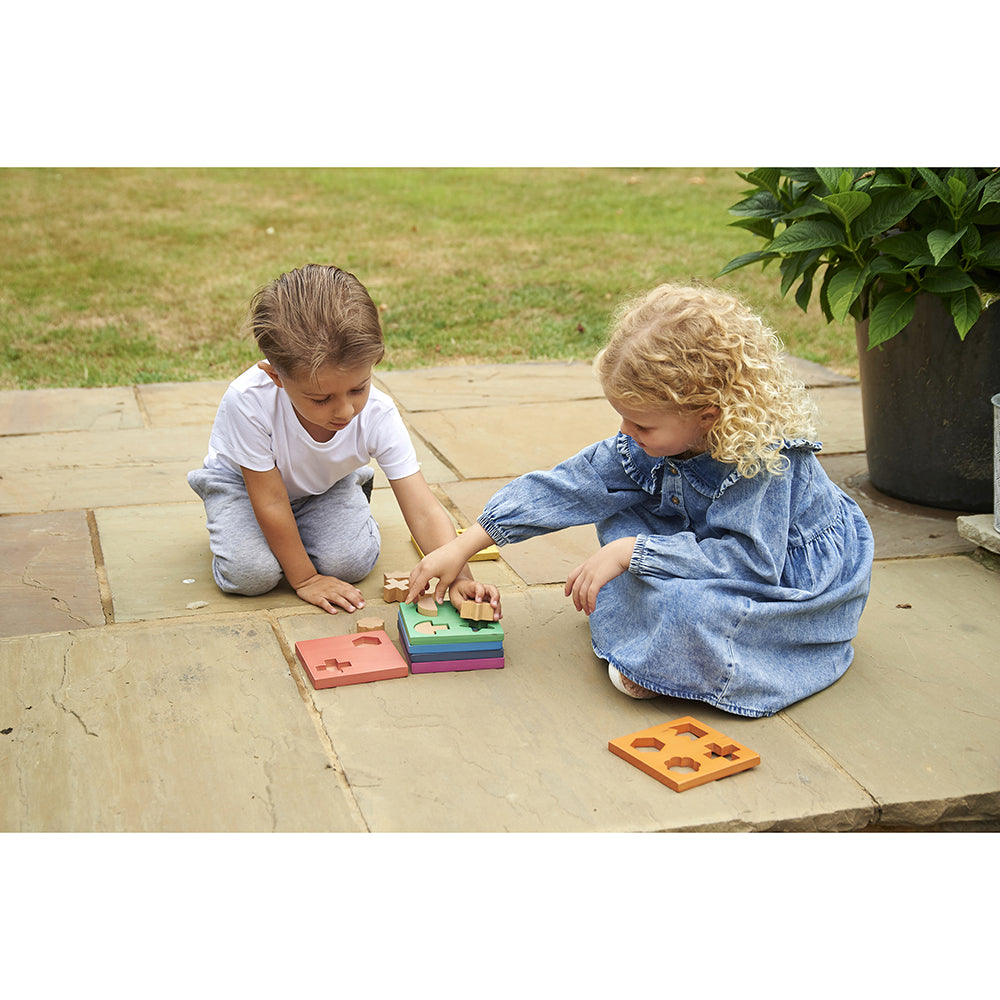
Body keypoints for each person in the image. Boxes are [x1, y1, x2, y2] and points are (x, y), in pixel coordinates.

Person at [406, 283, 874, 718]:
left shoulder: (764, 461)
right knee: (621, 509)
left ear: (707, 415)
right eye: (623, 419)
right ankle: (656, 638)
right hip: (702, 550)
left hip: (775, 575)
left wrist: (633, 553)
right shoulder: (646, 442)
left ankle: (694, 653)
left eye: (642, 425)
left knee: (695, 610)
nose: (626, 434)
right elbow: (565, 486)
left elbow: (751, 563)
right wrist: (462, 546)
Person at [188, 264, 499, 616]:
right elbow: (271, 502)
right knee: (250, 575)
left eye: (358, 388)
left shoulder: (378, 413)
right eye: (320, 399)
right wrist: (305, 578)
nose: (345, 411)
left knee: (350, 564)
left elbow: (424, 509)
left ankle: (347, 490)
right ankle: (236, 526)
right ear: (276, 375)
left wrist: (458, 578)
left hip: (324, 483)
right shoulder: (248, 400)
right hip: (245, 486)